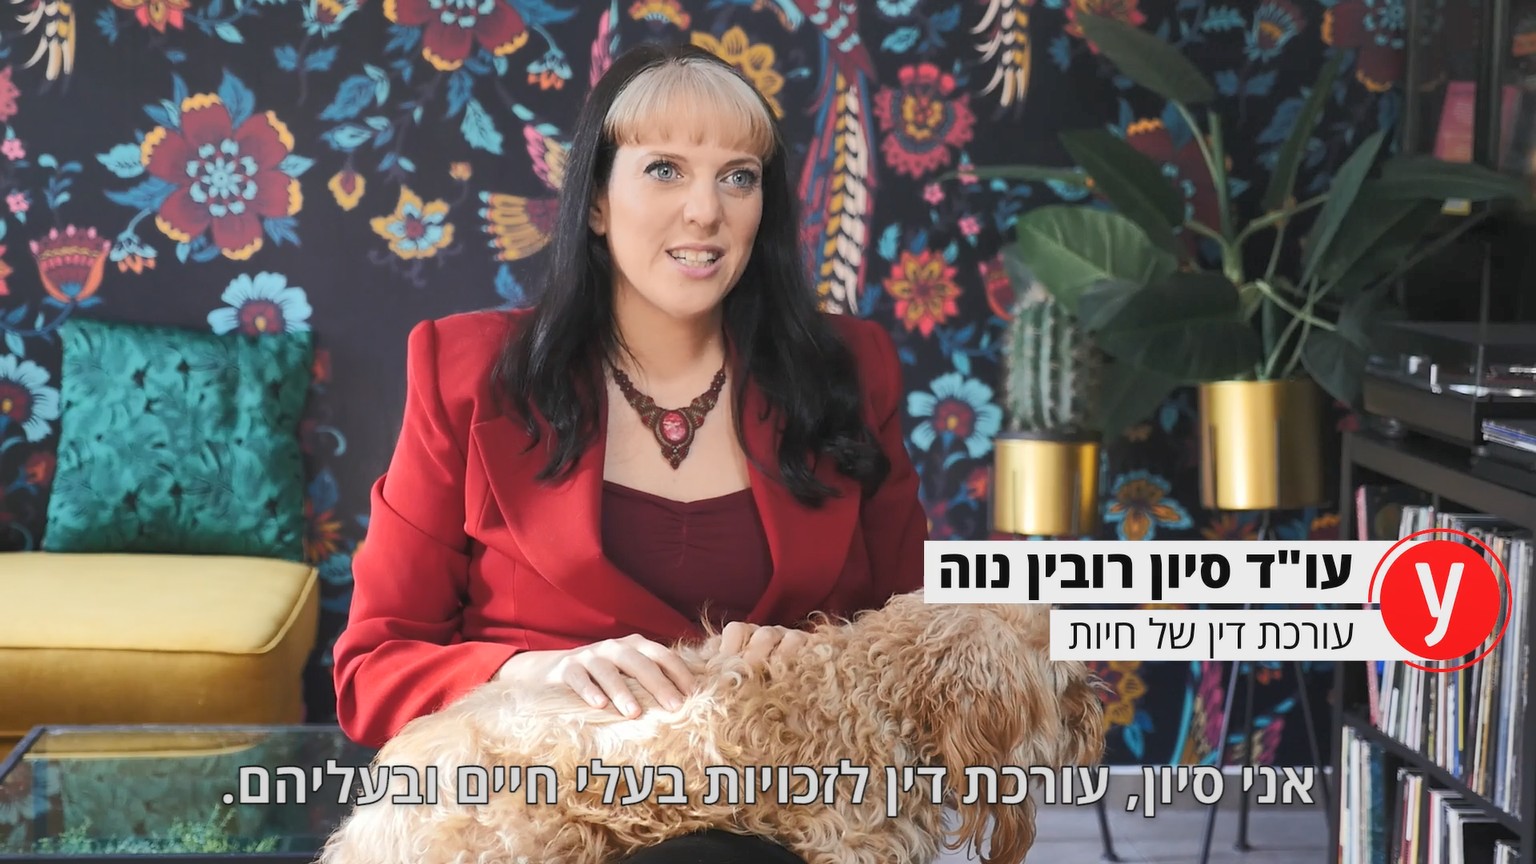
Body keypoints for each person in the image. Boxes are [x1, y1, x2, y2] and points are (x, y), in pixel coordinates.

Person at [331, 40, 930, 861]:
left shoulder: (852, 370)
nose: (706, 212)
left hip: (780, 811)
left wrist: (828, 660)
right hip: (539, 811)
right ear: (596, 203)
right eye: (665, 171)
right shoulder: (464, 371)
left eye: (738, 177)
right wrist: (529, 671)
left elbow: (921, 634)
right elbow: (372, 668)